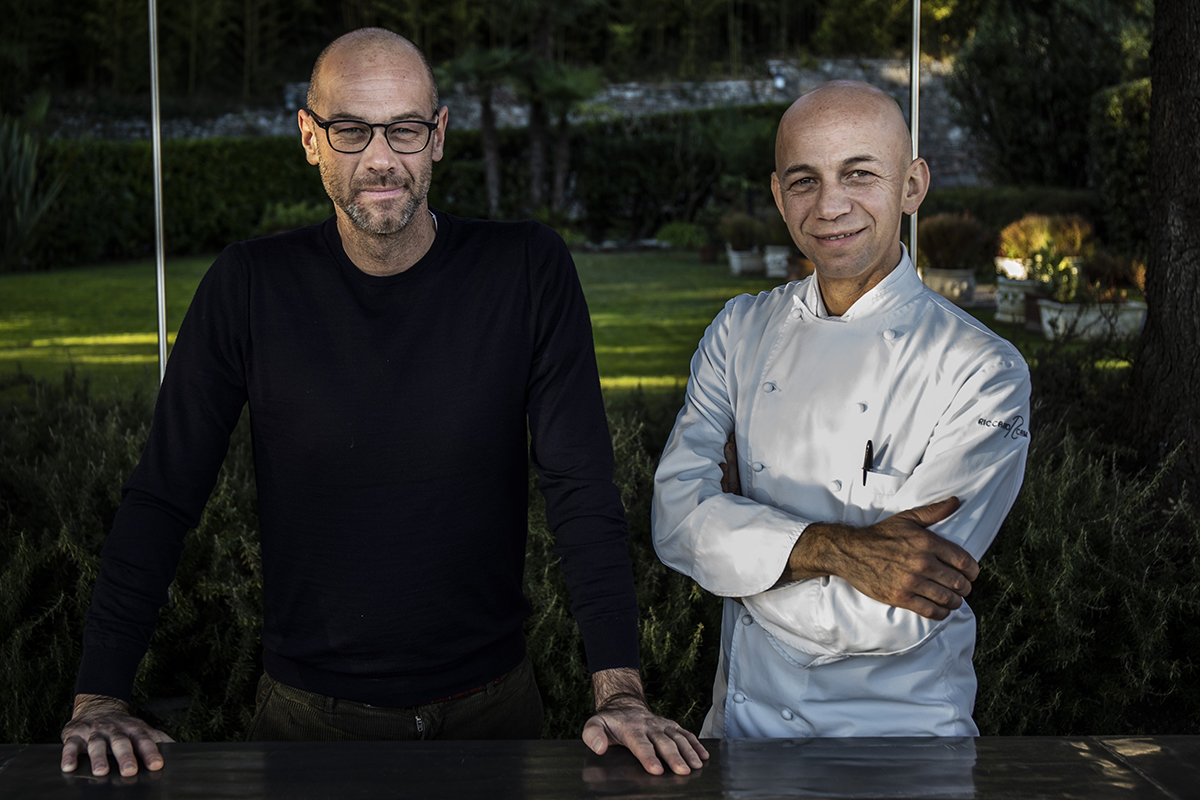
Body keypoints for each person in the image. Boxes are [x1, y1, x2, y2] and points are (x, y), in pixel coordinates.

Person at [60, 28, 707, 778]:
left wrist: (620, 691)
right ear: (310, 137)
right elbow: (164, 495)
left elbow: (582, 488)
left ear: (437, 136)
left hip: (495, 715)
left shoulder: (527, 269)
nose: (379, 159)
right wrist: (98, 697)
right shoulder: (248, 287)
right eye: (350, 130)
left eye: (403, 129)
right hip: (307, 722)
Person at [652, 81, 1031, 738]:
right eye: (805, 181)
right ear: (777, 196)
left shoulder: (980, 368)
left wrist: (737, 543)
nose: (830, 205)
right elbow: (674, 520)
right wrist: (845, 550)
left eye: (859, 174)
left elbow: (897, 612)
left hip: (897, 746)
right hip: (740, 737)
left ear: (912, 186)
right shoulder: (740, 330)